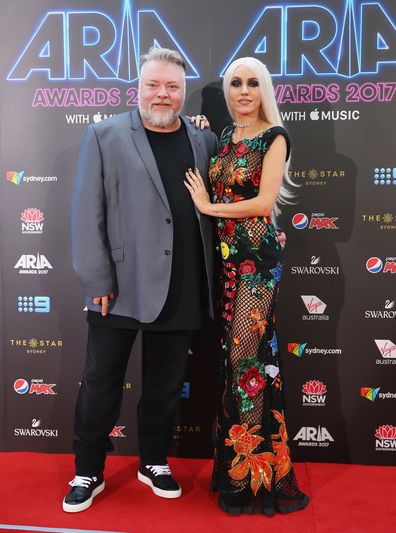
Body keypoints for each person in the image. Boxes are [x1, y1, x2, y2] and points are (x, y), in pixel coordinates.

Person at [64, 47, 218, 513]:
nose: (163, 93)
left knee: (165, 385)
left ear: (183, 92)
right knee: (101, 382)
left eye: (172, 86)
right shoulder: (103, 134)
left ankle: (154, 460)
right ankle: (87, 469)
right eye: (154, 84)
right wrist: (96, 279)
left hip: (183, 283)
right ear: (139, 87)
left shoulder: (203, 140)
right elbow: (86, 210)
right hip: (118, 287)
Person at [184, 57, 309, 515]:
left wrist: (207, 206)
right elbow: (214, 163)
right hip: (227, 266)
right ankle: (241, 469)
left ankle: (252, 480)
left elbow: (263, 202)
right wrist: (198, 126)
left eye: (253, 83)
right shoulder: (222, 138)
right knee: (240, 363)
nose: (243, 91)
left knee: (245, 359)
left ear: (264, 91)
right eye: (235, 83)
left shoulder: (275, 138)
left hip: (257, 264)